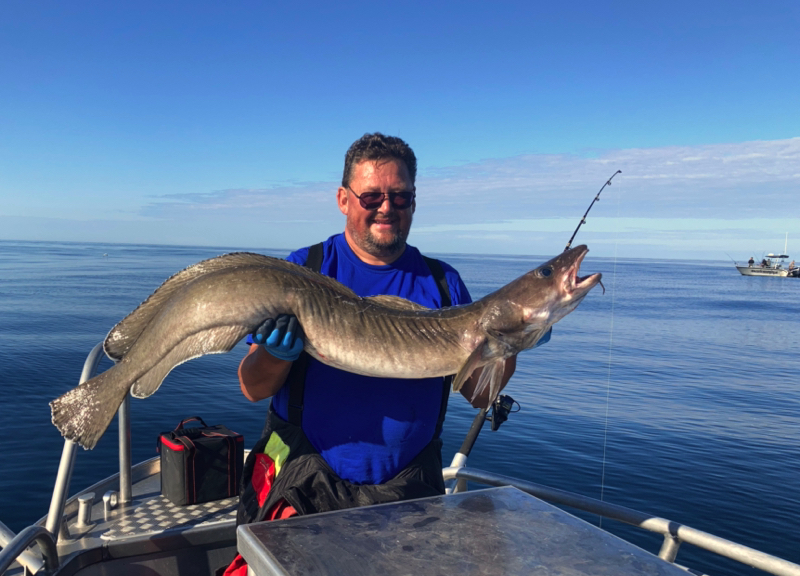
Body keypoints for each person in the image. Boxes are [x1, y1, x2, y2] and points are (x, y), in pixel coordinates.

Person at [223, 133, 526, 575]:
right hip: (304, 484)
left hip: (409, 494)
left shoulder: (443, 284)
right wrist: (275, 354)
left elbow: (480, 395)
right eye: (372, 196)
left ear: (414, 202)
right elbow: (252, 387)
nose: (387, 207)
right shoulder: (304, 269)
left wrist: (510, 344)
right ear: (344, 199)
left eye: (400, 196)